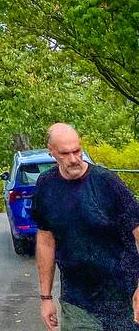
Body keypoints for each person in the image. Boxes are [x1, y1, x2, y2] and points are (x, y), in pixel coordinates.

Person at [32, 122, 139, 330]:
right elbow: (46, 240)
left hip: (123, 297)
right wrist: (45, 298)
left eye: (77, 151)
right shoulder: (46, 186)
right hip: (77, 301)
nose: (73, 159)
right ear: (51, 152)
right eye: (65, 153)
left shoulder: (107, 183)